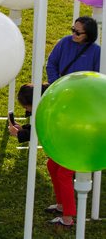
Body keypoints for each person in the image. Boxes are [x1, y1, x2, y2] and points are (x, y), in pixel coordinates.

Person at [43, 16, 101, 227]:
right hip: (62, 104)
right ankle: (61, 205)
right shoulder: (64, 43)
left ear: (89, 36)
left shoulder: (96, 53)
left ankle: (68, 216)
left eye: (78, 32)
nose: (73, 34)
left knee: (65, 169)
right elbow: (52, 64)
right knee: (52, 164)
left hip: (82, 112)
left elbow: (97, 80)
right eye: (73, 30)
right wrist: (57, 87)